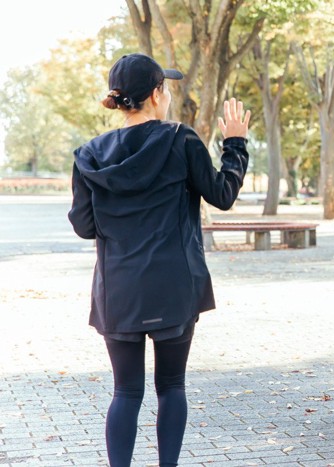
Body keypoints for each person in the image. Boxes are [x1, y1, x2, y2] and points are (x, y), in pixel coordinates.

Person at [68, 53, 250, 466]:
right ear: (155, 94)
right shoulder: (181, 139)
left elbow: (83, 225)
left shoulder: (90, 154)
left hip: (119, 288)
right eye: (164, 88)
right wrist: (235, 144)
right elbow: (221, 195)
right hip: (173, 285)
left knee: (126, 392)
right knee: (171, 386)